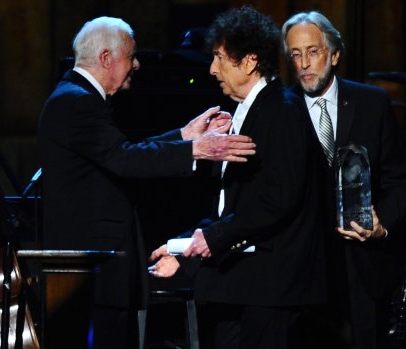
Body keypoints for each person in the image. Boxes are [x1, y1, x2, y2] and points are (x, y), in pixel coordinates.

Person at [37, 16, 256, 349]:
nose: (136, 64)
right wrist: (196, 149)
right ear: (107, 59)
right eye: (131, 56)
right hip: (90, 270)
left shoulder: (78, 98)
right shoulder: (76, 101)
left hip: (97, 268)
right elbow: (124, 159)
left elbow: (119, 152)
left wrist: (184, 135)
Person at [149, 6, 327, 349]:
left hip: (272, 288)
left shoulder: (283, 110)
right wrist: (182, 249)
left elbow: (278, 199)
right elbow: (229, 208)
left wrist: (209, 240)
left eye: (219, 58)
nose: (212, 69)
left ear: (249, 61)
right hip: (240, 283)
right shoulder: (245, 114)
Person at [281, 10, 406, 349]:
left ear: (335, 54)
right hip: (303, 268)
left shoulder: (373, 102)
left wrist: (382, 224)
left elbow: (400, 177)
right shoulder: (281, 110)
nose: (304, 63)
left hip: (363, 264)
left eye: (313, 51)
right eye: (296, 54)